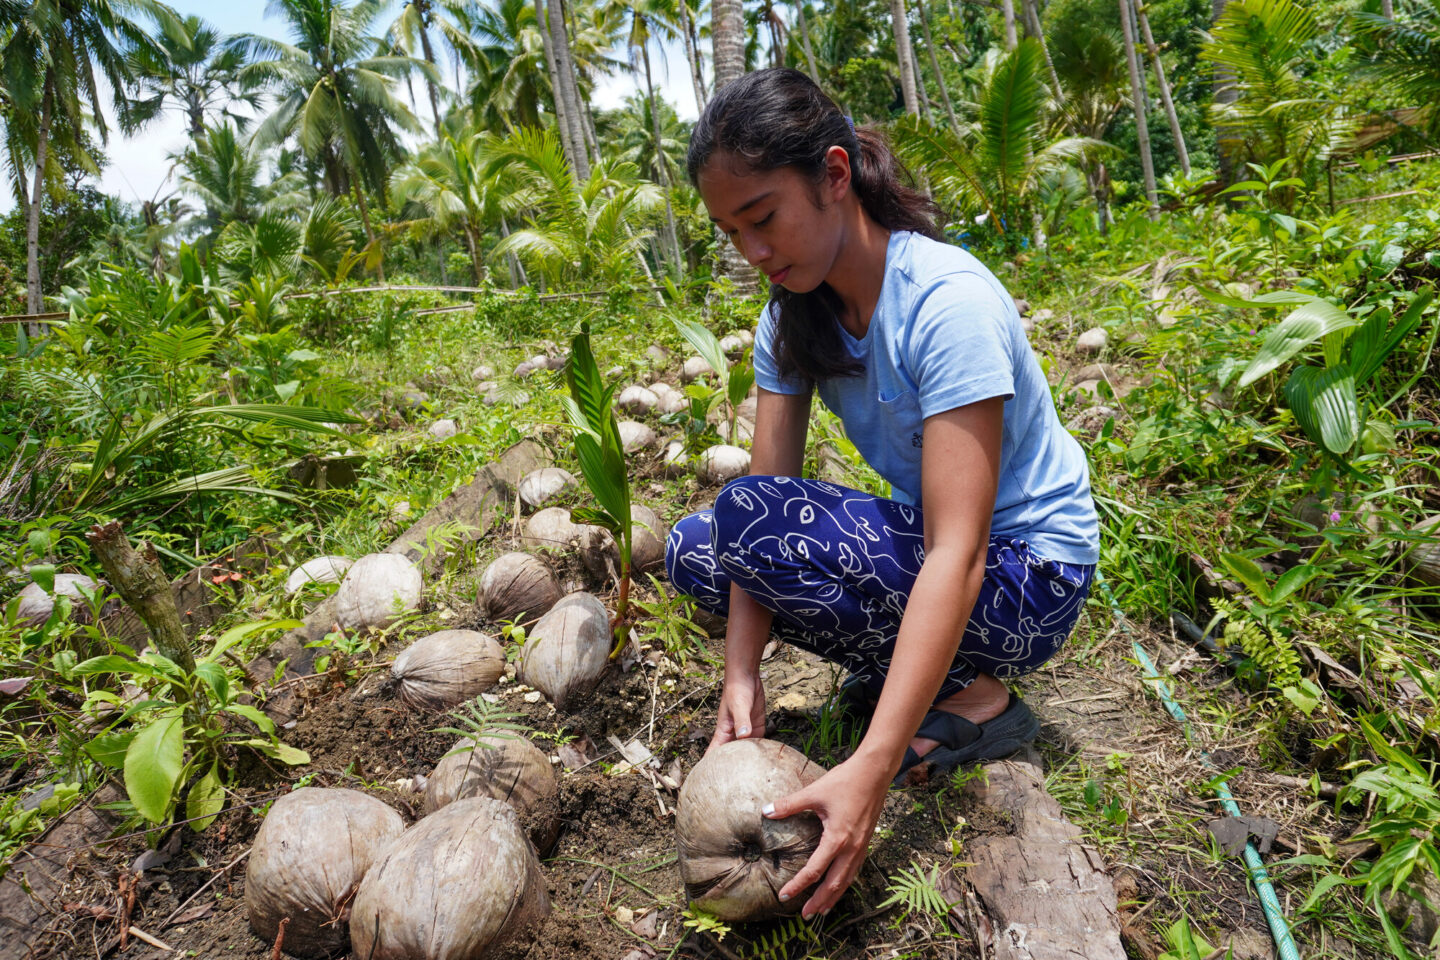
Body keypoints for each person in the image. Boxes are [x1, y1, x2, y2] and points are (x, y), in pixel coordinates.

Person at [663, 68, 1100, 920]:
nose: (753, 251)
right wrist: (742, 674)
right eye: (730, 232)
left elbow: (958, 552)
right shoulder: (792, 315)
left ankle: (980, 699)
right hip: (961, 567)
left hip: (1030, 580)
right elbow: (762, 502)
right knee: (696, 549)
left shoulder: (947, 305)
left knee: (744, 519)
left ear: (833, 176)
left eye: (763, 218)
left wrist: (870, 764)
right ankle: (921, 678)